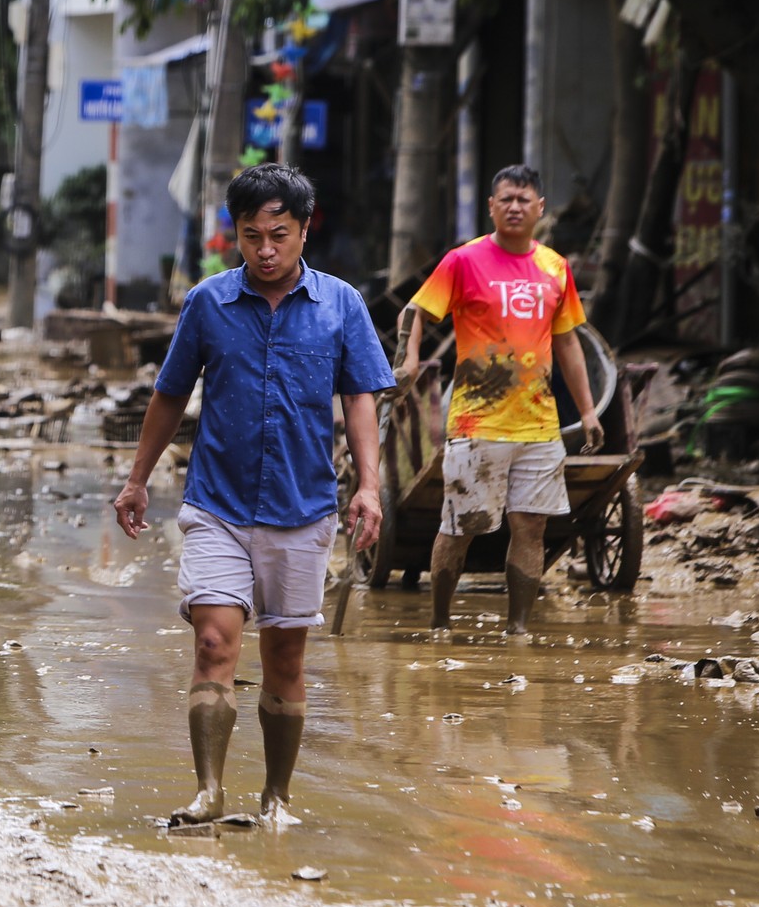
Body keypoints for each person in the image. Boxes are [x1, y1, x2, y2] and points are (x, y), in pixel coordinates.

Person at [111, 164, 393, 827]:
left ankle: (277, 798)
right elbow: (171, 392)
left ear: (303, 230)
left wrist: (371, 486)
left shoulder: (341, 305)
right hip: (218, 504)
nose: (265, 249)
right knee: (214, 641)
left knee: (286, 658)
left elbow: (359, 397)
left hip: (304, 507)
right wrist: (136, 477)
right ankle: (209, 791)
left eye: (279, 234)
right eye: (250, 236)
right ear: (233, 235)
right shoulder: (209, 303)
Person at [397, 163, 603, 636]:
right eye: (506, 199)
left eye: (523, 199)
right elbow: (417, 310)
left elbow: (569, 341)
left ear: (540, 208)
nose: (514, 207)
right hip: (476, 424)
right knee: (461, 526)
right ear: (491, 207)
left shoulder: (556, 267)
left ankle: (519, 630)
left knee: (530, 529)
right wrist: (408, 361)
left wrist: (588, 410)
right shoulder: (463, 261)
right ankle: (440, 624)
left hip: (539, 425)